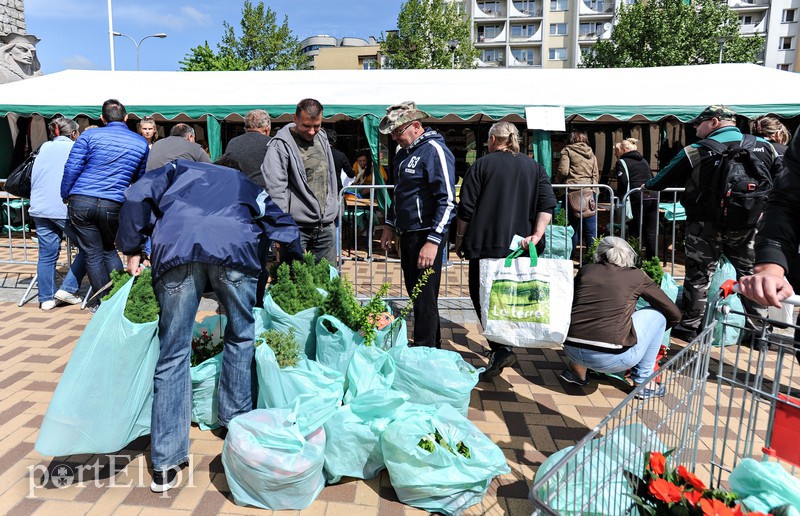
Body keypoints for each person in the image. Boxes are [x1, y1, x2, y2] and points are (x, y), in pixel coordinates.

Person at [116, 157, 302, 493]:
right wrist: (296, 257)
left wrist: (131, 245)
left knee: (172, 351)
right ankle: (236, 424)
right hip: (234, 248)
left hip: (177, 248)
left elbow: (135, 195)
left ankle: (165, 463)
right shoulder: (244, 183)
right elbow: (280, 220)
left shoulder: (176, 170)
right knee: (241, 336)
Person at [645, 105, 782, 340]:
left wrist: (646, 187)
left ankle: (689, 328)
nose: (696, 127)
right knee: (750, 277)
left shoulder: (697, 150)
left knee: (698, 277)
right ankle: (761, 333)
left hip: (704, 227)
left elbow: (659, 181)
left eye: (700, 123)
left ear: (715, 122)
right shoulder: (764, 146)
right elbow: (784, 181)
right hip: (748, 227)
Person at [454, 121, 557, 381]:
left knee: (483, 296)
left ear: (492, 140)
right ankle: (504, 345)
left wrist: (459, 239)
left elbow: (466, 209)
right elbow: (547, 204)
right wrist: (537, 234)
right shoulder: (534, 167)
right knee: (512, 296)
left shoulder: (481, 165)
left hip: (485, 244)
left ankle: (501, 347)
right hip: (521, 247)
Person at [560, 237, 682, 398]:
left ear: (601, 254)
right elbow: (674, 313)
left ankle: (577, 373)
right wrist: (651, 335)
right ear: (628, 256)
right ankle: (643, 382)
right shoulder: (637, 276)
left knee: (586, 314)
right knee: (658, 316)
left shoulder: (586, 270)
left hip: (571, 350)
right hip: (613, 359)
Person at [379, 101, 456, 349]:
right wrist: (390, 225)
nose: (394, 137)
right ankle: (429, 345)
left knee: (424, 295)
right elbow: (399, 192)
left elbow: (448, 201)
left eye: (398, 132)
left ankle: (426, 349)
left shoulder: (434, 149)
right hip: (409, 233)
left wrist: (434, 241)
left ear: (415, 126)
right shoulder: (404, 152)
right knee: (416, 293)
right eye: (392, 133)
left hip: (427, 234)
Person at [61, 99, 149, 310]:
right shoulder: (140, 143)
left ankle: (103, 302)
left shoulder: (89, 135)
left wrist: (65, 193)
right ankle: (119, 298)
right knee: (110, 250)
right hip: (114, 202)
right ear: (126, 118)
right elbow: (139, 179)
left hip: (81, 198)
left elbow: (72, 167)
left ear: (102, 118)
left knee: (92, 252)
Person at [738, 126, 800, 357]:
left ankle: (758, 333)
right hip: (752, 226)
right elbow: (785, 201)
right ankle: (759, 334)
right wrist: (771, 268)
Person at [261, 98, 338, 264]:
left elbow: (330, 176)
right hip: (295, 227)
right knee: (293, 281)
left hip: (325, 225)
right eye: (306, 126)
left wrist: (334, 208)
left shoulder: (322, 138)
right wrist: (281, 227)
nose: (311, 131)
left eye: (316, 126)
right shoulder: (280, 145)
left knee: (328, 282)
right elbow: (276, 189)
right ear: (295, 119)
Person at [29, 117, 86, 310]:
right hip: (61, 208)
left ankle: (46, 298)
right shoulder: (74, 148)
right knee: (89, 247)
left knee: (46, 255)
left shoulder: (43, 147)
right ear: (73, 133)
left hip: (39, 206)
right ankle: (68, 288)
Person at [614, 138, 659, 260]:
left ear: (623, 149)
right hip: (653, 197)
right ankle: (652, 261)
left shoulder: (622, 162)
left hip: (636, 197)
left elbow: (623, 183)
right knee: (651, 232)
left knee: (635, 231)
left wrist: (621, 199)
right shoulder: (643, 160)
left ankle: (634, 260)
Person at [556, 130, 599, 250]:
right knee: (591, 227)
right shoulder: (591, 152)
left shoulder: (567, 150)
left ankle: (570, 256)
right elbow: (595, 173)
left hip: (572, 191)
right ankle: (592, 258)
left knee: (572, 227)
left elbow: (563, 170)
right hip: (589, 191)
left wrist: (557, 181)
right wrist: (594, 190)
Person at [224, 109, 272, 187]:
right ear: (267, 129)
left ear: (245, 129)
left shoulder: (233, 142)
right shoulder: (271, 144)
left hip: (238, 191)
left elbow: (227, 170)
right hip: (263, 193)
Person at [146, 123, 211, 171]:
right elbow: (212, 170)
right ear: (190, 136)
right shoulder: (196, 148)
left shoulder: (157, 144)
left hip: (152, 185)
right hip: (179, 187)